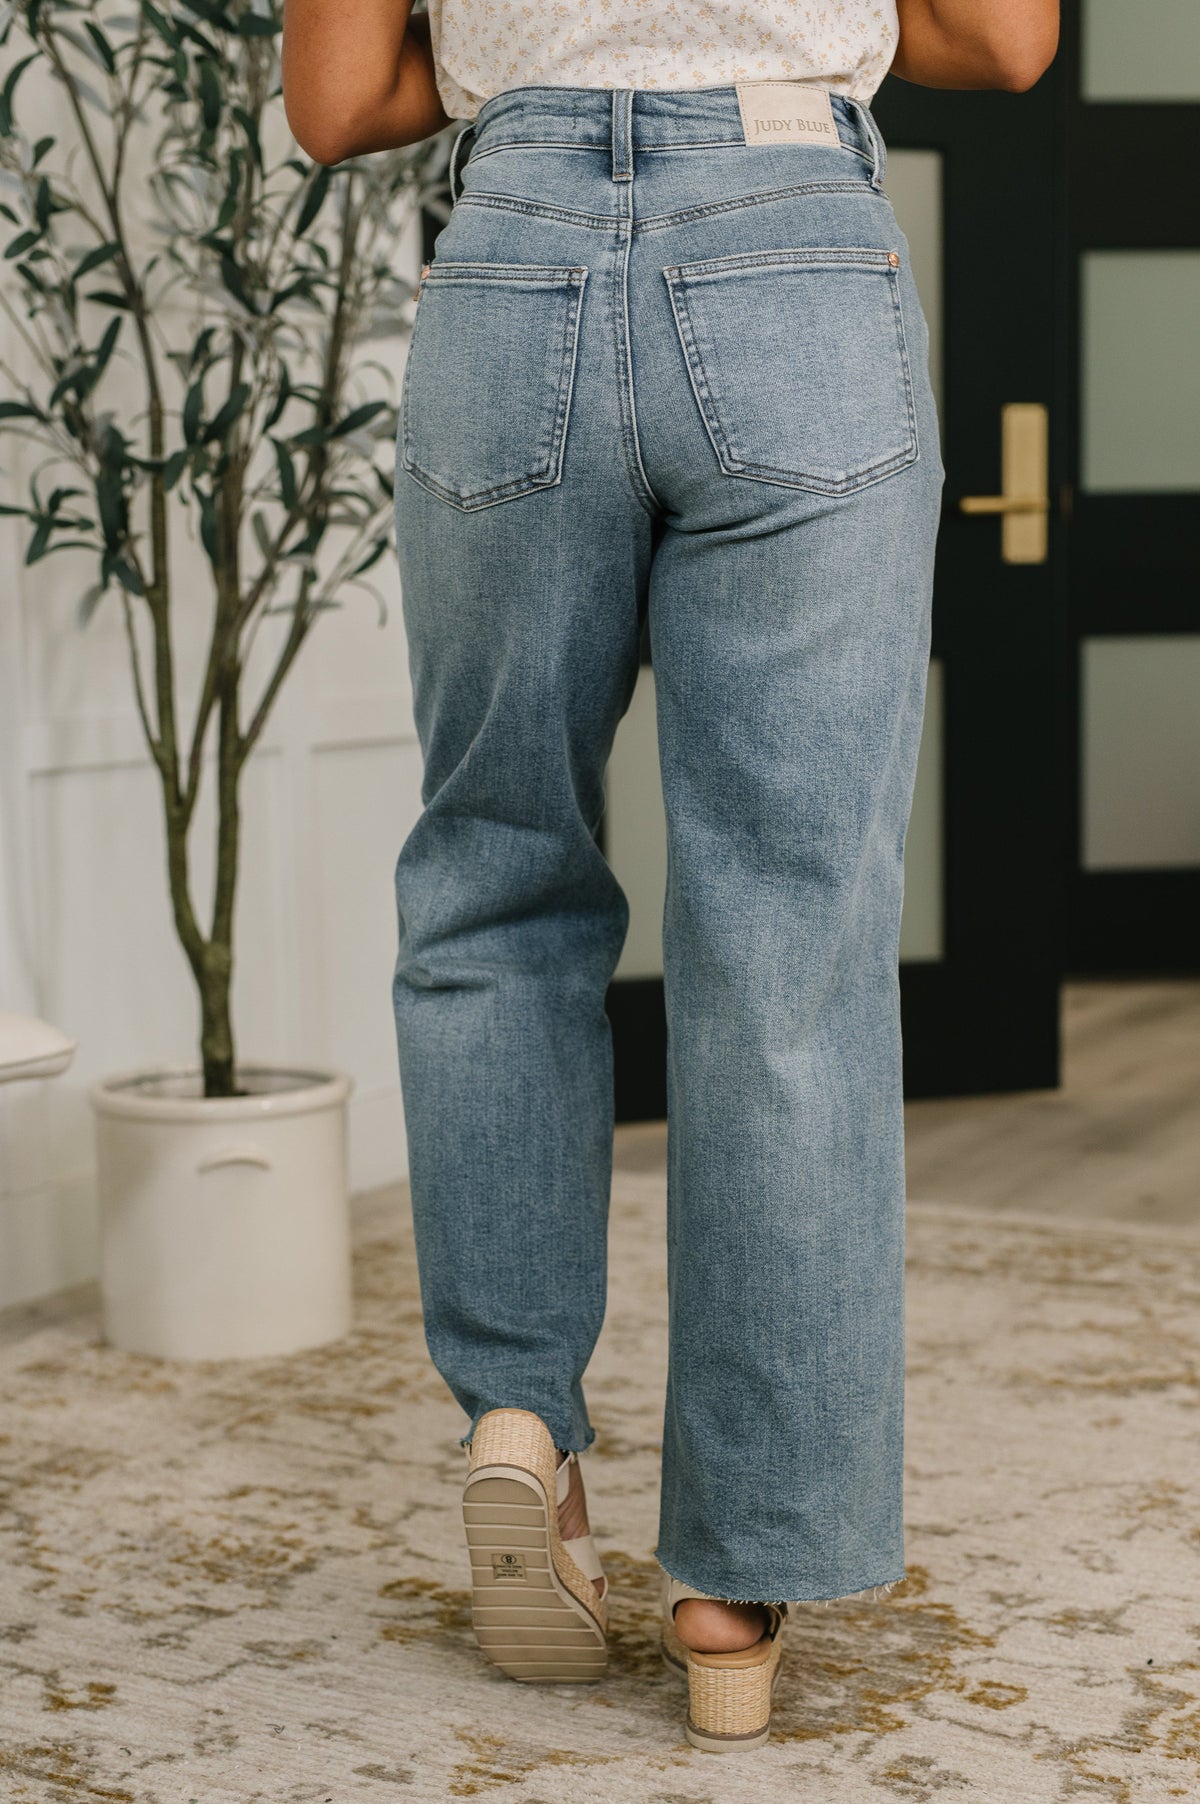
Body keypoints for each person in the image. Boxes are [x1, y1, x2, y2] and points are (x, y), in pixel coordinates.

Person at [283, 0, 1059, 1754]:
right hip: (793, 255)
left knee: (494, 875)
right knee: (789, 931)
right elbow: (1005, 40)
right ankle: (735, 1581)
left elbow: (336, 99)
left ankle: (519, 1430)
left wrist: (520, 67)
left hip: (516, 260)